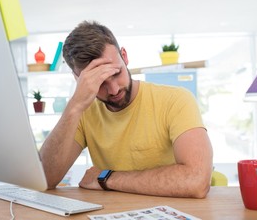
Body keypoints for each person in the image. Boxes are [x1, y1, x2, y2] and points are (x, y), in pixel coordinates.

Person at [40, 20, 213, 198]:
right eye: (99, 83)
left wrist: (107, 178)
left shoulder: (176, 100)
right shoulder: (83, 111)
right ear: (78, 79)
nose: (113, 90)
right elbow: (45, 180)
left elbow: (197, 181)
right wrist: (75, 105)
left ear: (124, 56)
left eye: (116, 73)